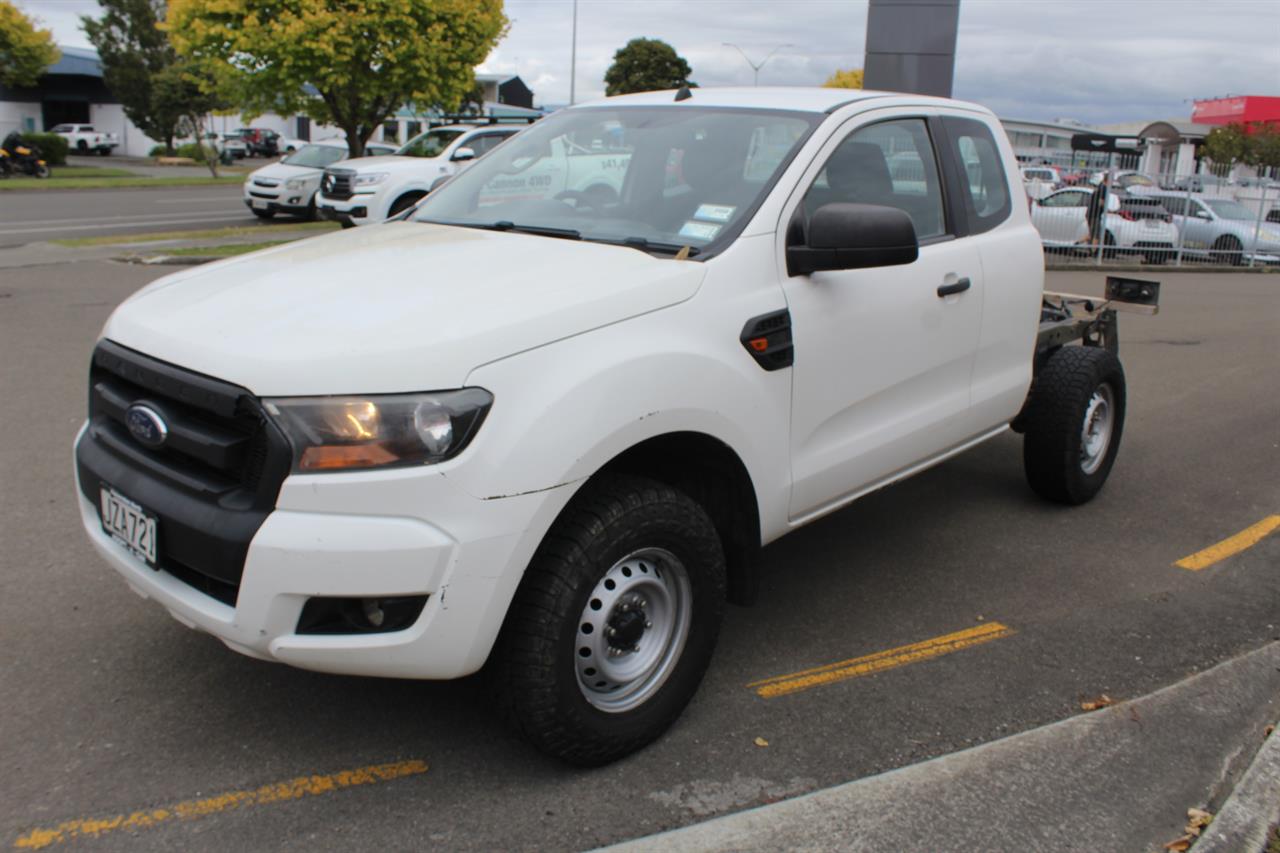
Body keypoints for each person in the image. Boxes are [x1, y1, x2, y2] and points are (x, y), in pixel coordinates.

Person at [1086, 172, 1110, 246]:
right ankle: (1094, 252)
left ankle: (1076, 244)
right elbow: (1100, 202)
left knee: (1091, 235)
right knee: (1096, 235)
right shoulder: (1104, 189)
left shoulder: (1100, 186)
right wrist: (1106, 209)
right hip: (1095, 215)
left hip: (1090, 213)